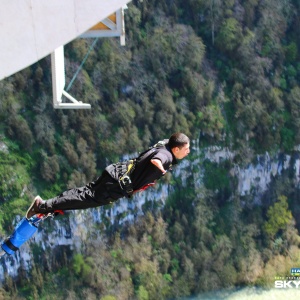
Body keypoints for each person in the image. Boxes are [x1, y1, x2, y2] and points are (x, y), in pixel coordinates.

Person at [26, 132, 190, 219]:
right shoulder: (167, 157)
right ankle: (42, 206)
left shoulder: (165, 144)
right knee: (85, 199)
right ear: (176, 149)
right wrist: (161, 169)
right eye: (186, 149)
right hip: (117, 185)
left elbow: (159, 151)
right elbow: (157, 160)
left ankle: (52, 205)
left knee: (84, 192)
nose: (188, 152)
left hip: (117, 172)